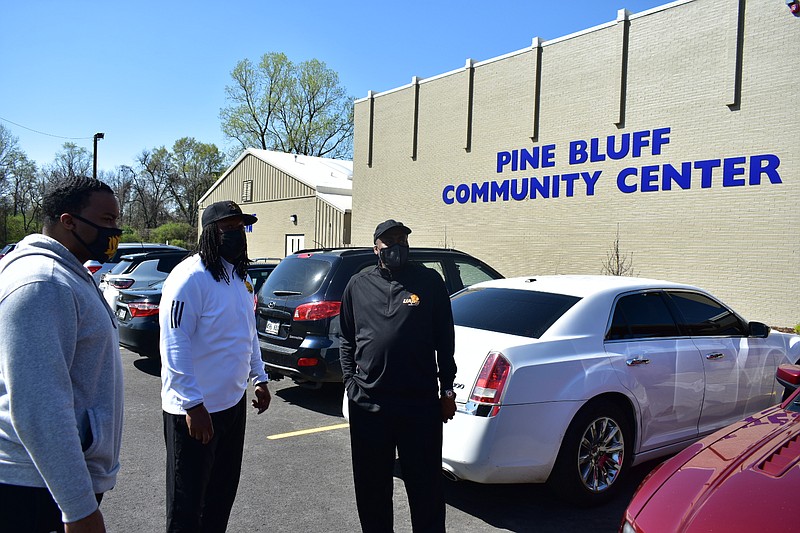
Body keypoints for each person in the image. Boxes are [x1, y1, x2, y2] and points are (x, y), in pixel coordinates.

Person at [0, 176, 124, 533]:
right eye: (106, 220)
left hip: (49, 483)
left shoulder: (71, 276)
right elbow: (40, 407)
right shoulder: (43, 282)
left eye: (116, 220)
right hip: (35, 490)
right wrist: (78, 508)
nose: (115, 230)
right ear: (68, 221)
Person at [160, 200, 271, 533]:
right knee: (187, 505)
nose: (238, 234)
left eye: (241, 227)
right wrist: (193, 405)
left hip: (232, 406)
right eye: (229, 228)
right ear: (210, 233)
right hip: (195, 413)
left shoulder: (238, 277)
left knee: (221, 498)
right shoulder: (189, 278)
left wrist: (260, 377)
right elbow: (173, 344)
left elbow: (247, 333)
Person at [339, 219, 457, 533]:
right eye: (389, 241)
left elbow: (445, 340)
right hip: (370, 406)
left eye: (402, 239)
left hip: (419, 407)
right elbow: (346, 339)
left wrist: (447, 391)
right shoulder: (358, 284)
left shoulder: (429, 282)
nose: (397, 246)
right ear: (375, 247)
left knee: (426, 490)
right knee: (372, 489)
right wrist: (351, 383)